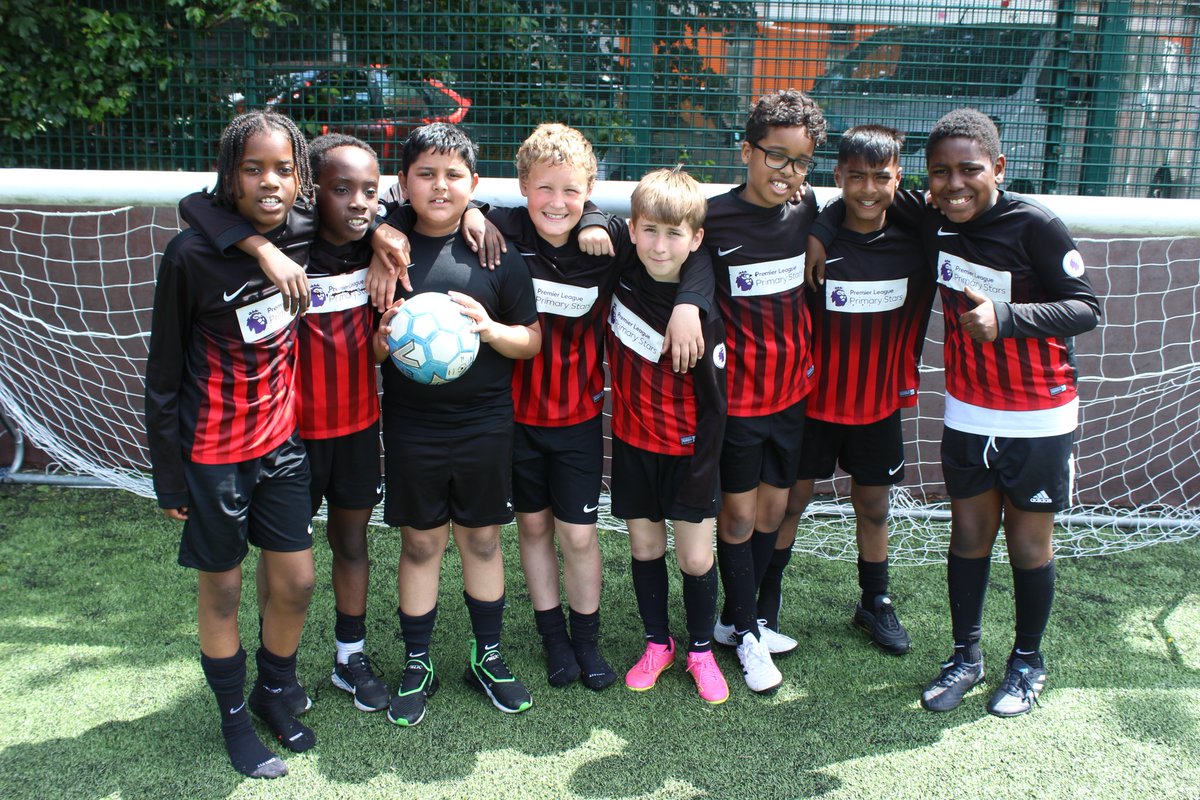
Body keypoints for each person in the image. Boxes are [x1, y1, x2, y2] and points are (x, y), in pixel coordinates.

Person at [373, 123, 712, 691]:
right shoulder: (498, 229)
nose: (557, 203)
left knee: (578, 534)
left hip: (578, 418)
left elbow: (687, 247)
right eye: (544, 189)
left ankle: (587, 640)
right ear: (522, 187)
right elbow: (417, 202)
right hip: (512, 420)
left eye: (572, 192)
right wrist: (455, 216)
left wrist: (689, 301)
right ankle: (554, 641)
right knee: (531, 530)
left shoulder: (610, 244)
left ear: (589, 193)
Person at [810, 108, 1100, 716]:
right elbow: (860, 197)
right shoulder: (932, 218)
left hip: (1038, 415)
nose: (954, 184)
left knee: (1027, 544)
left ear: (997, 167)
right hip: (967, 411)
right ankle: (965, 656)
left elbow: (1085, 307)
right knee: (968, 535)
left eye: (969, 170)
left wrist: (1009, 319)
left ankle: (1026, 662)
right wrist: (818, 230)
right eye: (940, 172)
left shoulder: (1035, 225)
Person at [177, 134, 394, 715]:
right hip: (287, 435)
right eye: (340, 191)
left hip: (355, 428)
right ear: (310, 193)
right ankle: (280, 677)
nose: (357, 203)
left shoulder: (371, 243)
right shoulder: (290, 244)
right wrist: (260, 247)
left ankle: (351, 656)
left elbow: (403, 208)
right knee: (283, 568)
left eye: (367, 194)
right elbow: (198, 205)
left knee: (350, 543)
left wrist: (381, 234)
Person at [145, 111, 318, 779]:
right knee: (221, 591)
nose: (269, 181)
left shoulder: (306, 231)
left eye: (282, 168)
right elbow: (163, 374)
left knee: (298, 582)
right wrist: (169, 477)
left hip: (281, 447)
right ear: (231, 176)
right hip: (213, 456)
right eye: (253, 169)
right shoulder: (190, 255)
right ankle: (234, 723)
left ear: (299, 175)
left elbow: (372, 207)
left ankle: (273, 692)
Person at [371, 122, 541, 726]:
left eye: (452, 176)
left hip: (486, 423)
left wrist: (491, 330)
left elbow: (531, 340)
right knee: (420, 541)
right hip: (414, 425)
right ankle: (417, 661)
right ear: (403, 183)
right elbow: (369, 353)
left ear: (473, 184)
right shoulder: (387, 253)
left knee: (484, 538)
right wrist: (384, 340)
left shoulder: (495, 253)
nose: (439, 186)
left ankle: (487, 656)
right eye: (425, 174)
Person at [777, 125, 934, 655]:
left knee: (873, 506)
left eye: (881, 177)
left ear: (898, 179)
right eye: (857, 176)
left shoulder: (919, 240)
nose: (868, 189)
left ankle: (875, 602)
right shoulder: (812, 237)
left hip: (877, 404)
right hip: (812, 404)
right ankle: (763, 602)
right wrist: (822, 226)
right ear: (838, 175)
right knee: (791, 501)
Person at [703, 90, 827, 693]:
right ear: (747, 151)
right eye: (776, 157)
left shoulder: (808, 212)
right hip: (739, 402)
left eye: (801, 162)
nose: (788, 172)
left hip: (791, 395)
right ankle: (749, 635)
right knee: (739, 514)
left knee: (776, 512)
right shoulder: (714, 218)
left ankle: (743, 618)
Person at [607, 168, 730, 704]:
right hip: (634, 447)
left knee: (696, 560)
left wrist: (703, 469)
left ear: (695, 240)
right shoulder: (619, 274)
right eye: (649, 231)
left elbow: (716, 404)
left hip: (689, 457)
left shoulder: (705, 307)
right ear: (633, 230)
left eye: (674, 234)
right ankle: (658, 643)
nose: (660, 245)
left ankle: (700, 651)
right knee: (645, 549)